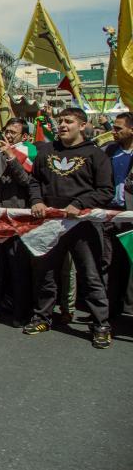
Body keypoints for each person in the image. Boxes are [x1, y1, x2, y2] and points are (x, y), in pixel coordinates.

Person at [26, 107, 114, 349]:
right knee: (45, 273)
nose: (62, 125)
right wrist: (37, 201)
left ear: (83, 125)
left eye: (69, 121)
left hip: (83, 227)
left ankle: (101, 326)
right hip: (50, 225)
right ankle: (43, 317)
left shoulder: (96, 155)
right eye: (60, 121)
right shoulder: (47, 151)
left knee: (91, 276)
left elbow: (105, 190)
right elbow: (35, 182)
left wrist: (80, 203)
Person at [0, 119, 34, 326]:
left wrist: (12, 158)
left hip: (17, 216)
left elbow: (26, 182)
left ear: (24, 136)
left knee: (17, 267)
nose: (8, 136)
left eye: (13, 132)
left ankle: (19, 313)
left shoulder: (29, 154)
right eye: (6, 131)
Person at [102, 112, 133, 318]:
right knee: (108, 261)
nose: (113, 131)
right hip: (110, 214)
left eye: (118, 128)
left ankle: (128, 308)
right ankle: (107, 309)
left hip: (131, 215)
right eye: (112, 127)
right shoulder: (109, 151)